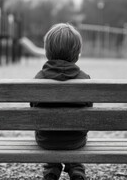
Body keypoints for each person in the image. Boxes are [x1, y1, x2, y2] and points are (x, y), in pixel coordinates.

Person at [31, 23, 92, 180]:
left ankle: (52, 167)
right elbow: (89, 110)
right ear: (77, 54)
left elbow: (33, 107)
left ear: (47, 52)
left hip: (46, 139)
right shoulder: (85, 80)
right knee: (70, 134)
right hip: (75, 140)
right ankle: (76, 167)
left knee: (52, 133)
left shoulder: (38, 79)